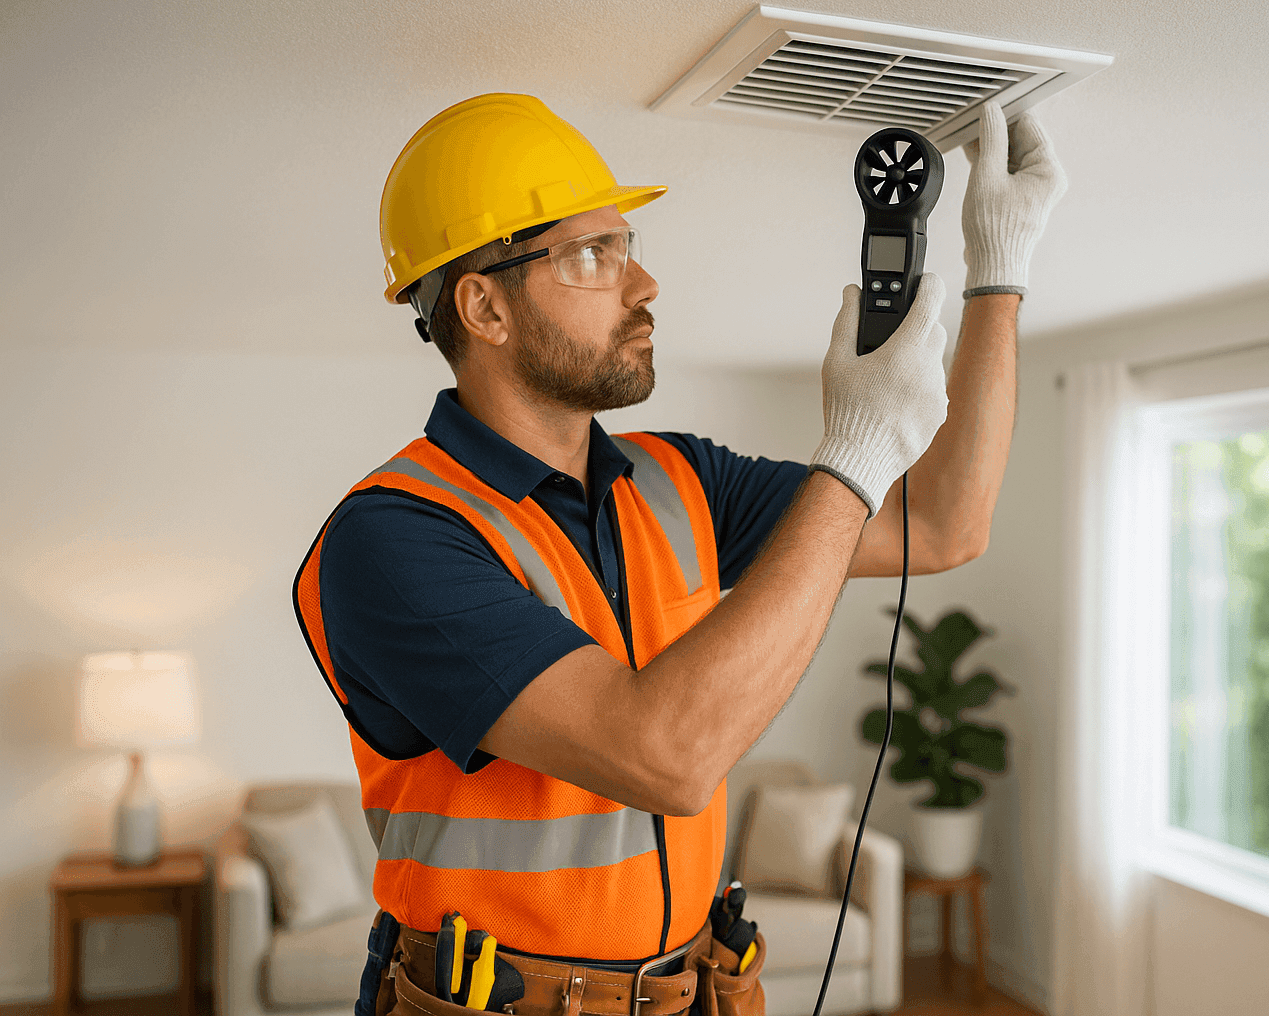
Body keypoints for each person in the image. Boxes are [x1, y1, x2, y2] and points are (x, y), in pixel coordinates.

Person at [293, 92, 1064, 1016]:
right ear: (484, 306)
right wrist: (854, 452)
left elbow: (942, 524)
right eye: (593, 255)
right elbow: (661, 756)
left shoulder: (676, 479)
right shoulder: (393, 539)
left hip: (691, 991)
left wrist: (999, 269)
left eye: (629, 247)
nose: (644, 284)